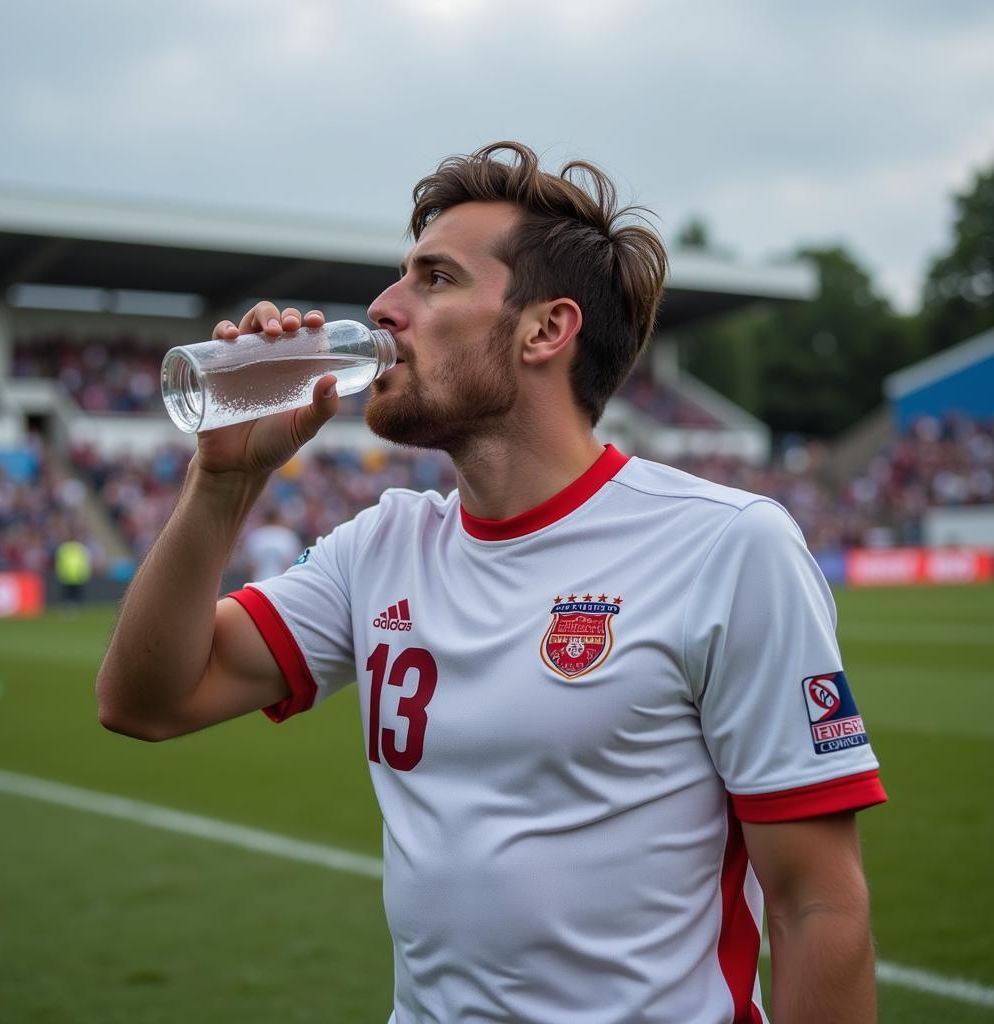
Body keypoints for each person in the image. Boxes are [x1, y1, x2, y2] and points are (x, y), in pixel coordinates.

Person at [97, 142, 887, 1023]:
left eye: (433, 279)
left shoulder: (727, 546)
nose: (384, 308)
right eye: (400, 277)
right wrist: (225, 482)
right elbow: (146, 700)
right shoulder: (380, 545)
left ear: (545, 329)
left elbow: (819, 905)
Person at [240, 506, 302, 582]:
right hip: (281, 581)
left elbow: (250, 564)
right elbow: (293, 563)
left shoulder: (256, 535)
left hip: (259, 581)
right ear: (279, 518)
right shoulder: (287, 535)